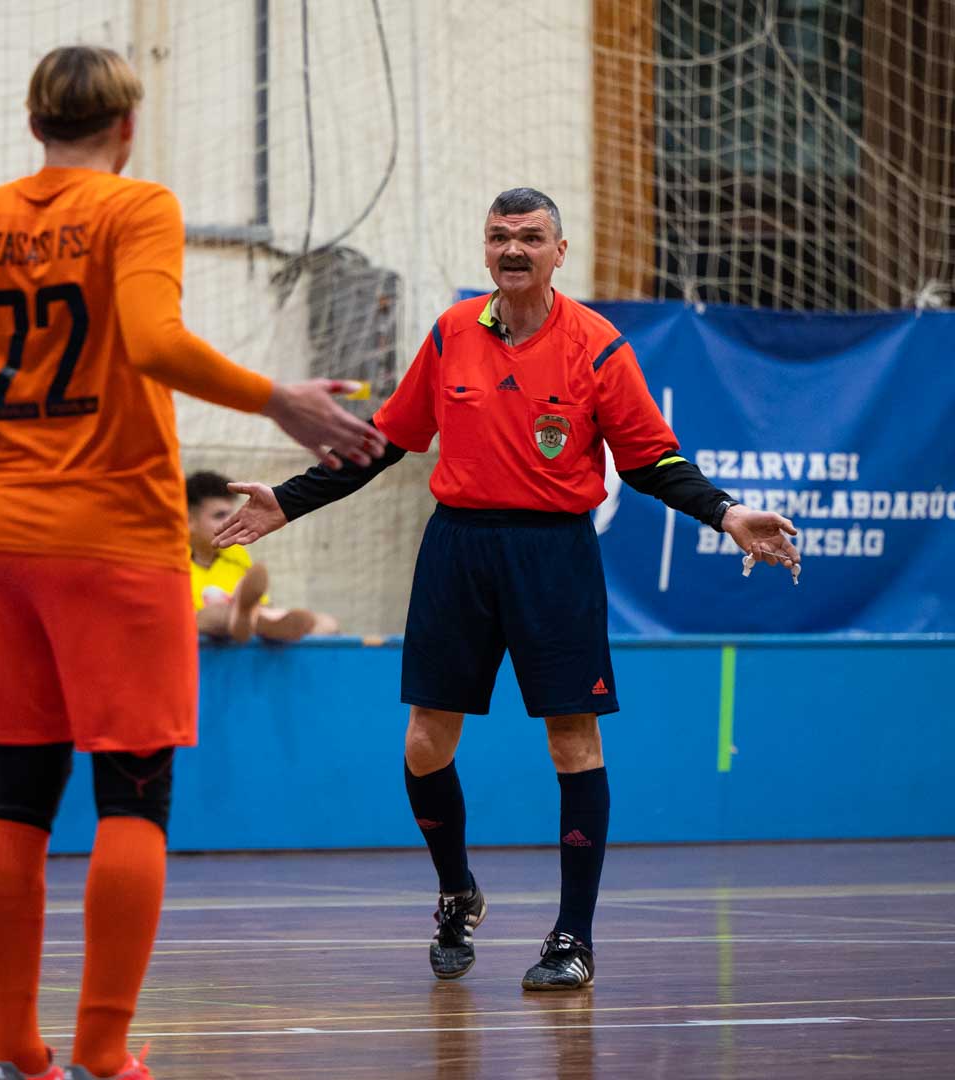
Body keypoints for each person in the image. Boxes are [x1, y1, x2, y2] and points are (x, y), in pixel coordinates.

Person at [0, 45, 383, 1080]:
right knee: (132, 801)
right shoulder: (137, 207)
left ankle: (16, 1055)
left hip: (9, 545)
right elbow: (151, 340)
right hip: (118, 546)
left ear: (32, 123)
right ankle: (101, 1050)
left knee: (17, 800)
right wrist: (277, 399)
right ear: (127, 128)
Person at [215, 187, 800, 993]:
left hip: (553, 555)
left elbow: (650, 460)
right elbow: (385, 440)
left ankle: (572, 938)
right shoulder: (452, 332)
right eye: (498, 236)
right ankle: (456, 891)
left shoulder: (597, 347)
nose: (512, 249)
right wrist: (286, 500)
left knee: (572, 741)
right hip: (457, 549)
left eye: (529, 236)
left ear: (560, 251)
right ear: (485, 249)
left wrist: (725, 513)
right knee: (425, 742)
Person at [186, 470, 338, 642]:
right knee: (212, 616)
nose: (231, 521)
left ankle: (256, 623)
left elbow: (260, 605)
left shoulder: (236, 554)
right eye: (220, 515)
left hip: (244, 631)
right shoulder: (172, 560)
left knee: (326, 623)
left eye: (231, 514)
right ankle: (259, 624)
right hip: (198, 632)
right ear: (189, 521)